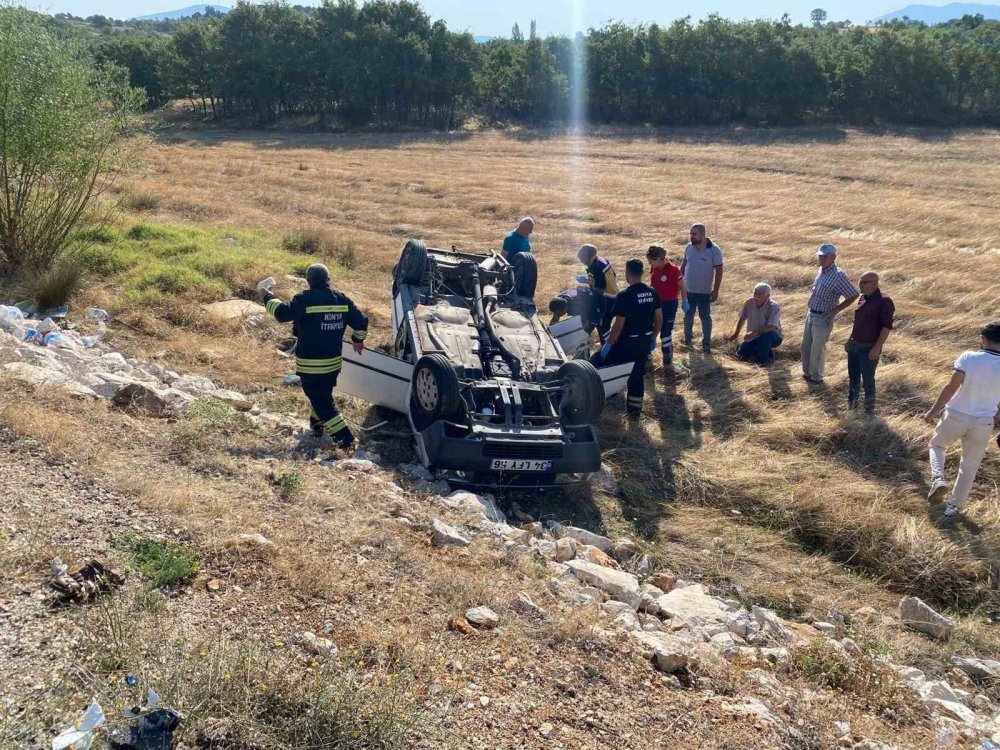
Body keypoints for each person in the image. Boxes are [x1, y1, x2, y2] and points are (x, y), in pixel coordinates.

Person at [260, 264, 369, 448]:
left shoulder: (305, 299)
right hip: (333, 364)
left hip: (311, 365)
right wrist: (358, 340)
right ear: (328, 279)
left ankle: (346, 440)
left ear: (308, 281)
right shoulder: (341, 299)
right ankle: (316, 426)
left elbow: (282, 314)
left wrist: (267, 297)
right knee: (322, 395)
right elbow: (362, 321)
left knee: (323, 402)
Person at [923, 321, 1000, 521]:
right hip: (984, 422)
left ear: (983, 339)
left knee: (937, 446)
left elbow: (950, 388)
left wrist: (932, 412)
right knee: (969, 466)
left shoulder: (968, 357)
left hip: (956, 414)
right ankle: (953, 509)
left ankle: (938, 478)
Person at [600, 258, 662, 418]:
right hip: (643, 343)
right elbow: (659, 319)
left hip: (626, 344)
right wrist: (653, 337)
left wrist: (608, 344)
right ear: (641, 273)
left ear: (628, 274)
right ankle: (634, 415)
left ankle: (600, 398)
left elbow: (618, 325)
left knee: (599, 364)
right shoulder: (652, 292)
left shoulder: (625, 295)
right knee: (637, 377)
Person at [801, 244, 859, 383]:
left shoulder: (838, 275)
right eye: (820, 256)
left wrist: (835, 310)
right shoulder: (821, 270)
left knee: (818, 348)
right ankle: (807, 373)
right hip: (811, 314)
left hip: (823, 317)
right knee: (806, 345)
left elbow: (853, 294)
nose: (821, 259)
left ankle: (816, 377)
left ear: (833, 257)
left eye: (824, 256)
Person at [844, 271, 895, 414]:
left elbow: (886, 327)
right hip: (855, 345)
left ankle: (869, 411)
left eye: (863, 282)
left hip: (869, 348)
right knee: (853, 377)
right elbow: (857, 323)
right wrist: (849, 340)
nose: (860, 285)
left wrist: (877, 347)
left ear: (874, 283)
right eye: (860, 282)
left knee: (868, 380)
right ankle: (851, 406)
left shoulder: (885, 301)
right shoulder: (862, 298)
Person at [680, 223, 723, 353]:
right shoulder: (689, 247)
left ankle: (706, 343)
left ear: (703, 235)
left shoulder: (714, 250)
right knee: (688, 315)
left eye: (694, 234)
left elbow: (719, 271)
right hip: (688, 291)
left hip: (705, 293)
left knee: (705, 317)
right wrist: (679, 282)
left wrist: (715, 290)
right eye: (690, 234)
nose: (691, 237)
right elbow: (684, 264)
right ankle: (687, 340)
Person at [646, 245, 685, 371]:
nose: (649, 263)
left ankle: (667, 361)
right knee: (650, 328)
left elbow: (682, 286)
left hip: (669, 304)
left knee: (665, 333)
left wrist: (685, 301)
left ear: (657, 259)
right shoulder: (654, 268)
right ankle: (647, 356)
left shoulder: (673, 269)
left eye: (651, 261)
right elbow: (652, 284)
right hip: (655, 303)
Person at [728, 283, 783, 366]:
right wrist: (736, 334)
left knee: (767, 335)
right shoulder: (749, 302)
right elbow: (742, 318)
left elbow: (771, 327)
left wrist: (753, 333)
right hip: (754, 337)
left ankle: (760, 362)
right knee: (741, 354)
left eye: (760, 294)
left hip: (774, 338)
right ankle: (768, 353)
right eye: (755, 293)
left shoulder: (774, 306)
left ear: (767, 296)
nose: (756, 296)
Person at [577, 244, 619, 341]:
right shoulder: (601, 260)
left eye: (582, 259)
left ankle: (607, 348)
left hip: (607, 300)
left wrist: (588, 283)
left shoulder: (596, 268)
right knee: (605, 325)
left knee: (602, 326)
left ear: (587, 256)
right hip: (614, 296)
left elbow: (599, 289)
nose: (581, 261)